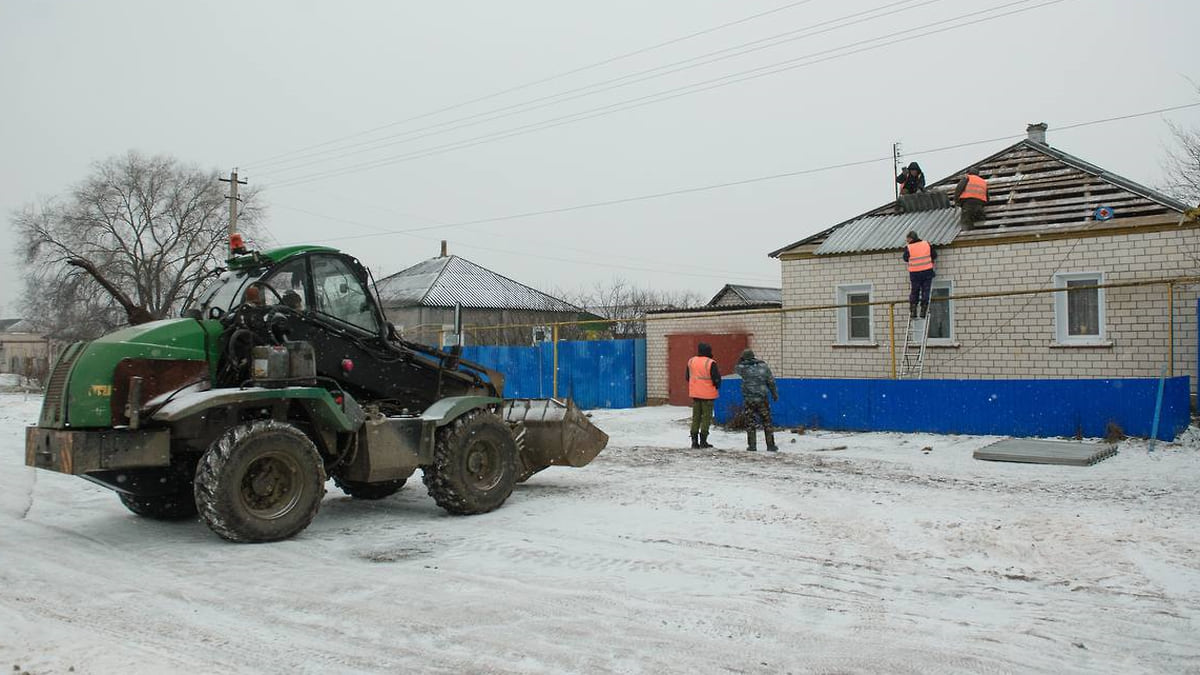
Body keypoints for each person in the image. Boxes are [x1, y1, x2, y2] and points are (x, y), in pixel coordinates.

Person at [735, 349, 779, 452]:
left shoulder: (743, 368)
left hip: (749, 400)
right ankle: (771, 445)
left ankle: (752, 445)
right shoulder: (763, 366)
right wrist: (774, 393)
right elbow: (770, 381)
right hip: (762, 399)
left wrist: (741, 360)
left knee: (750, 423)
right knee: (767, 422)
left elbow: (736, 368)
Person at [685, 343, 721, 449]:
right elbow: (716, 379)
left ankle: (694, 441)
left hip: (695, 395)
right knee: (706, 418)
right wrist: (716, 385)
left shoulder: (691, 361)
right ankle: (703, 441)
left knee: (696, 417)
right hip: (708, 395)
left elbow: (687, 377)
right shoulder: (711, 363)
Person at [903, 230, 937, 319]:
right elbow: (934, 255)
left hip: (915, 273)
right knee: (926, 291)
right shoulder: (926, 244)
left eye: (907, 240)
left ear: (911, 238)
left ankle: (913, 310)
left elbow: (905, 258)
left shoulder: (909, 247)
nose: (907, 241)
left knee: (915, 291)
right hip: (927, 272)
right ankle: (923, 310)